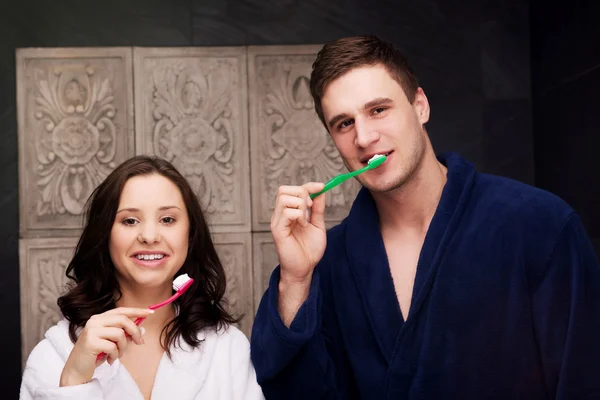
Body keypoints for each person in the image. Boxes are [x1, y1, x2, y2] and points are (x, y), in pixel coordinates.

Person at [250, 35, 600, 399]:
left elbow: (584, 378)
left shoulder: (540, 225)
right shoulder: (329, 263)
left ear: (420, 106)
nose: (365, 137)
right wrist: (295, 279)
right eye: (344, 123)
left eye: (378, 110)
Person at [20, 156, 265, 400]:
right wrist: (73, 381)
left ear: (190, 234)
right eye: (130, 220)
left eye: (167, 219)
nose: (149, 236)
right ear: (104, 234)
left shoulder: (227, 349)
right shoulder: (54, 355)